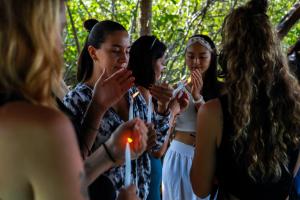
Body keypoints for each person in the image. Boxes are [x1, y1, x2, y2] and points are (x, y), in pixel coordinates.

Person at [190, 0, 300, 199]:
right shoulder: (296, 107)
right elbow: (290, 173)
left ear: (230, 54)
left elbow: (200, 188)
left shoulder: (214, 112)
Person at [63, 20, 172, 200]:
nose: (124, 59)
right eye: (115, 51)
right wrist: (97, 110)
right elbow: (73, 166)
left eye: (127, 51)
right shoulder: (77, 101)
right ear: (93, 53)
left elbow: (156, 148)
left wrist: (162, 109)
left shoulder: (133, 94)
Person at [0, 0, 86, 199]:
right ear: (35, 33)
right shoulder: (42, 126)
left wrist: (107, 155)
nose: (61, 46)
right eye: (59, 29)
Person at [127, 35, 188, 200]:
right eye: (162, 62)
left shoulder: (142, 92)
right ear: (150, 62)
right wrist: (172, 111)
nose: (163, 68)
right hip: (142, 178)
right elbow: (157, 150)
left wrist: (167, 108)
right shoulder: (139, 94)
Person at [162, 34, 220, 200]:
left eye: (202, 57)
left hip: (205, 160)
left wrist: (197, 97)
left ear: (212, 57)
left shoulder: (222, 90)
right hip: (177, 155)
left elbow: (213, 124)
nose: (195, 62)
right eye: (190, 56)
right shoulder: (176, 90)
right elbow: (167, 129)